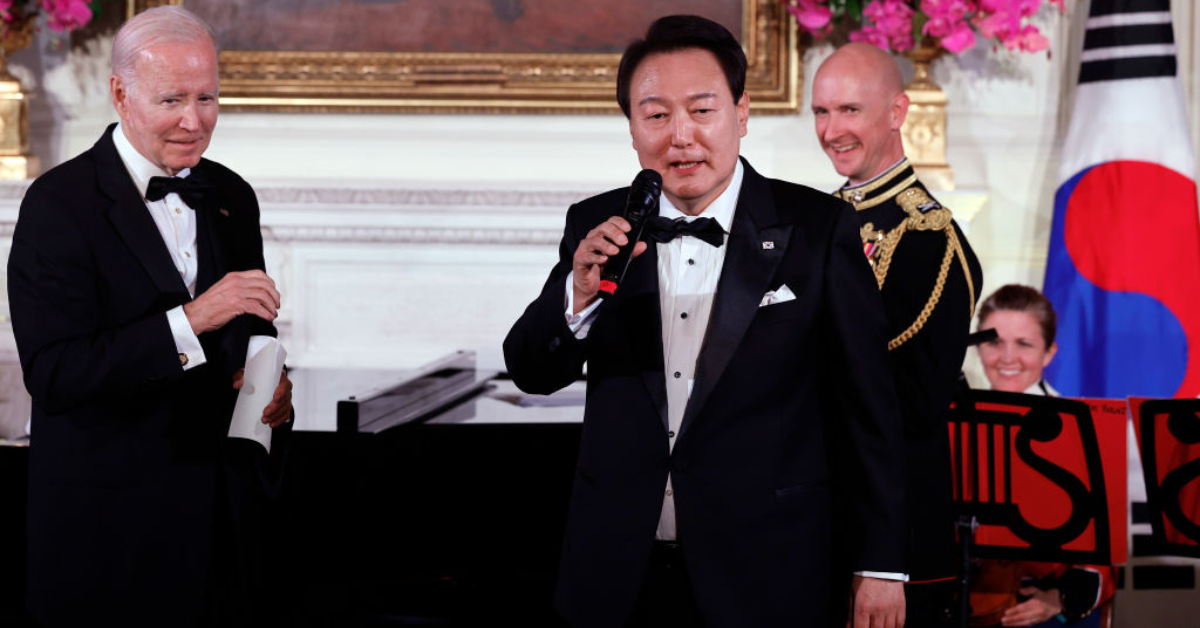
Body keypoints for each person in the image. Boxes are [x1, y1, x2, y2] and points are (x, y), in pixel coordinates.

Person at [505, 15, 908, 628]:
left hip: (769, 574)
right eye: (656, 115)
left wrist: (881, 564)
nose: (681, 137)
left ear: (741, 113)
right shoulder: (597, 223)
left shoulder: (819, 229)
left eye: (701, 109)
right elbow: (532, 369)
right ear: (633, 129)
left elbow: (871, 411)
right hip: (616, 576)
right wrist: (578, 295)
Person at [8, 6, 292, 627]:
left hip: (221, 535)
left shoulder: (231, 195)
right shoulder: (58, 205)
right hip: (107, 541)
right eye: (172, 100)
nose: (195, 122)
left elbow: (247, 335)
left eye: (208, 98)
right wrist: (191, 320)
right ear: (120, 93)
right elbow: (56, 374)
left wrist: (269, 387)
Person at [811, 42, 984, 627]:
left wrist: (885, 564)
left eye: (850, 111)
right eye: (821, 112)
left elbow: (906, 410)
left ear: (897, 111)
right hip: (815, 526)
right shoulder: (818, 222)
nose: (832, 130)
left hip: (890, 549)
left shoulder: (928, 240)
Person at [972, 284, 1116, 627]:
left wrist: (1059, 600)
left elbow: (1103, 557)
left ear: (1049, 353)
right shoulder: (955, 421)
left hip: (1047, 608)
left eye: (1023, 344)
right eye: (994, 342)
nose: (1007, 358)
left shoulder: (1084, 429)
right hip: (970, 600)